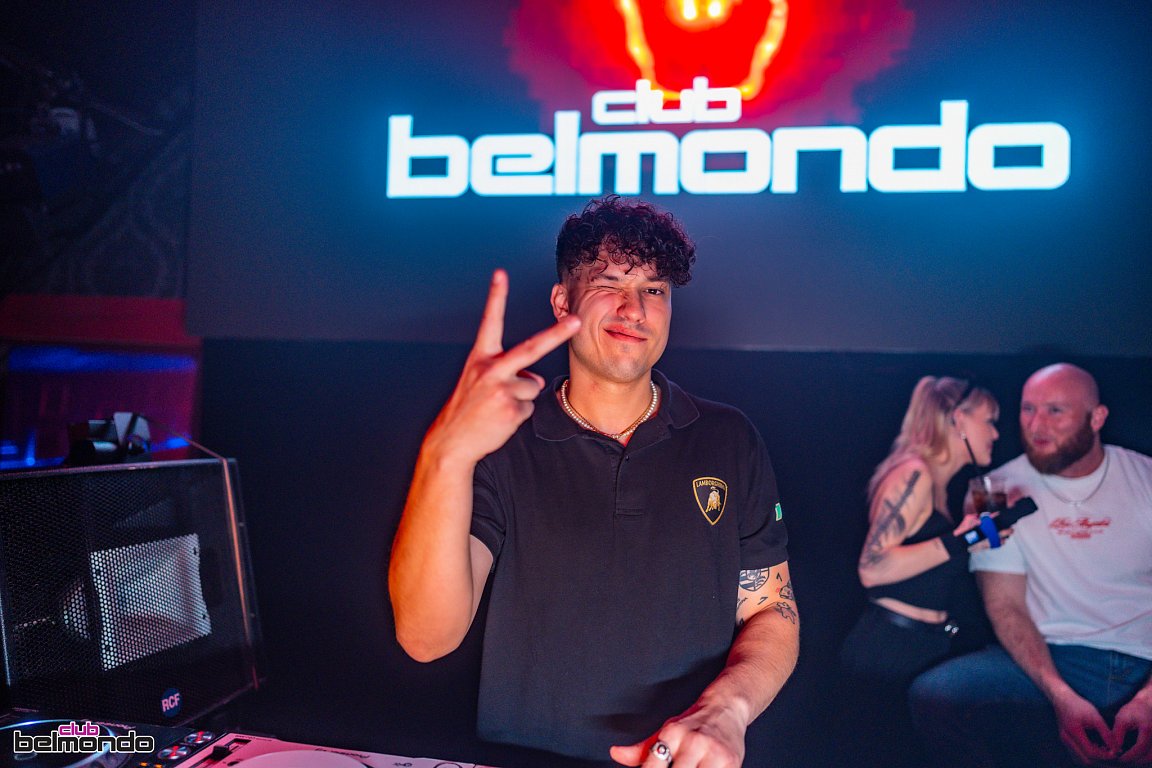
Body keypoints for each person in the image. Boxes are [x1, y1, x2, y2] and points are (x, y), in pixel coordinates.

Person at [388, 196, 799, 768]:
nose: (635, 309)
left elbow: (771, 610)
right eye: (610, 284)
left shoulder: (728, 438)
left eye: (654, 289)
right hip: (526, 758)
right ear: (563, 302)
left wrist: (726, 708)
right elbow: (426, 637)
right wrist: (446, 454)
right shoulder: (502, 441)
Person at [909, 363, 1152, 768]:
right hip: (1053, 657)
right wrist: (1060, 695)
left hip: (1144, 657)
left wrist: (1148, 700)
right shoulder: (993, 492)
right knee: (936, 694)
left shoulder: (1145, 479)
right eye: (1028, 409)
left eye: (1055, 411)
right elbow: (1005, 605)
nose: (1037, 425)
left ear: (1096, 418)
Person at [832, 377, 999, 768]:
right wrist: (959, 539)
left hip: (924, 647)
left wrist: (976, 538)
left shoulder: (940, 487)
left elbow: (933, 559)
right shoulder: (914, 473)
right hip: (889, 649)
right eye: (990, 421)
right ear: (958, 419)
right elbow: (871, 568)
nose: (995, 433)